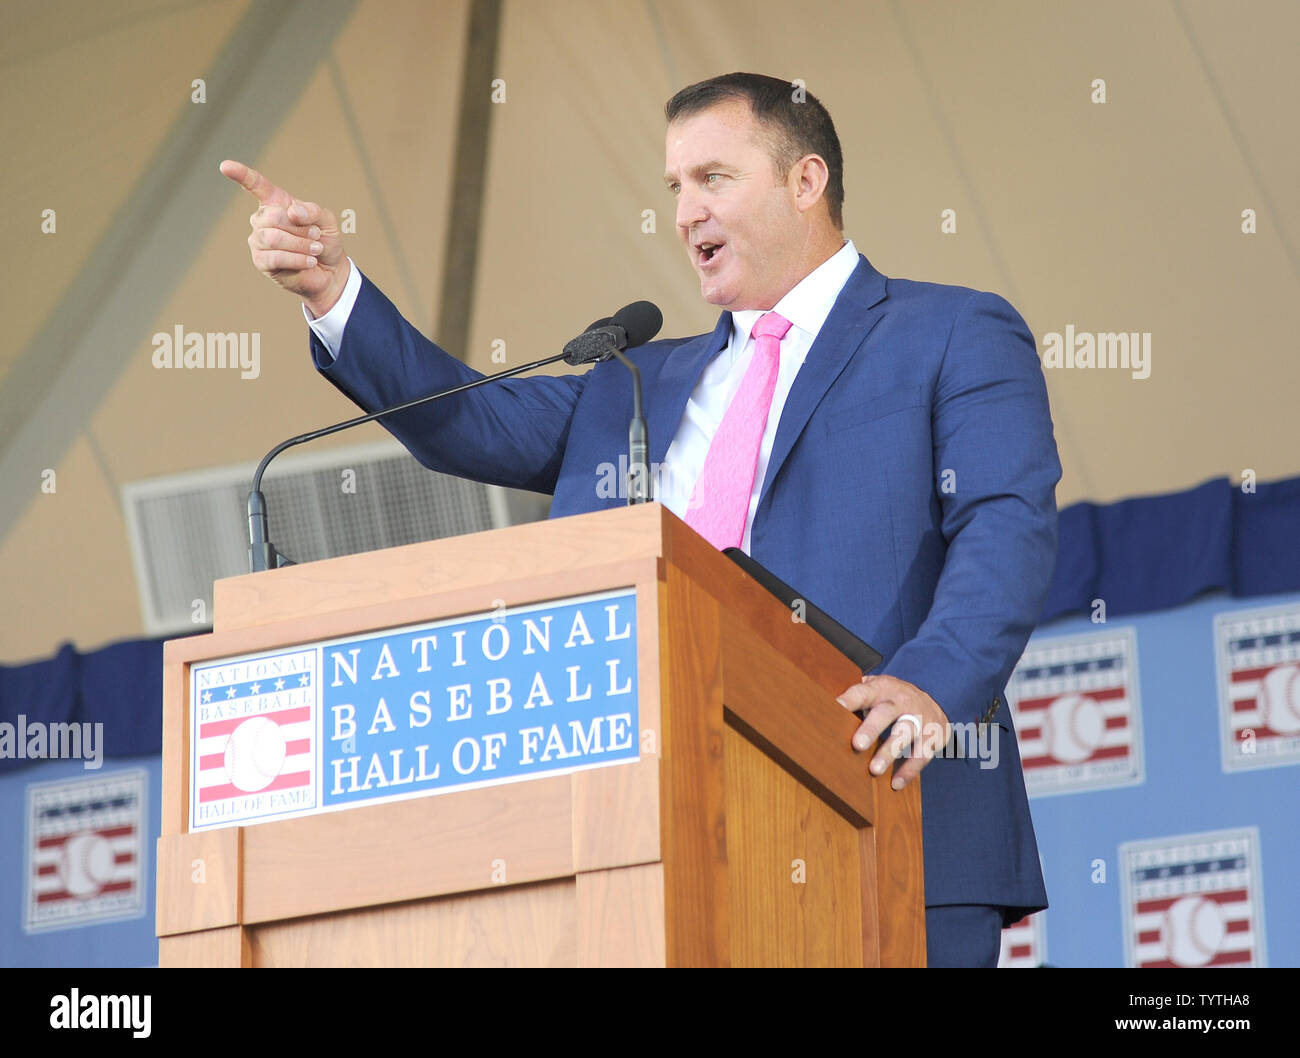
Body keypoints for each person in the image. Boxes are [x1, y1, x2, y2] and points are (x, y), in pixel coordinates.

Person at [221, 71, 1060, 967]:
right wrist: (332, 290)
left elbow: (1004, 522)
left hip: (888, 809)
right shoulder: (637, 379)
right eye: (673, 188)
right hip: (650, 849)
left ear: (806, 182)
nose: (685, 210)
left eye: (713, 179)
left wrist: (932, 685)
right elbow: (461, 418)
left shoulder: (950, 331)